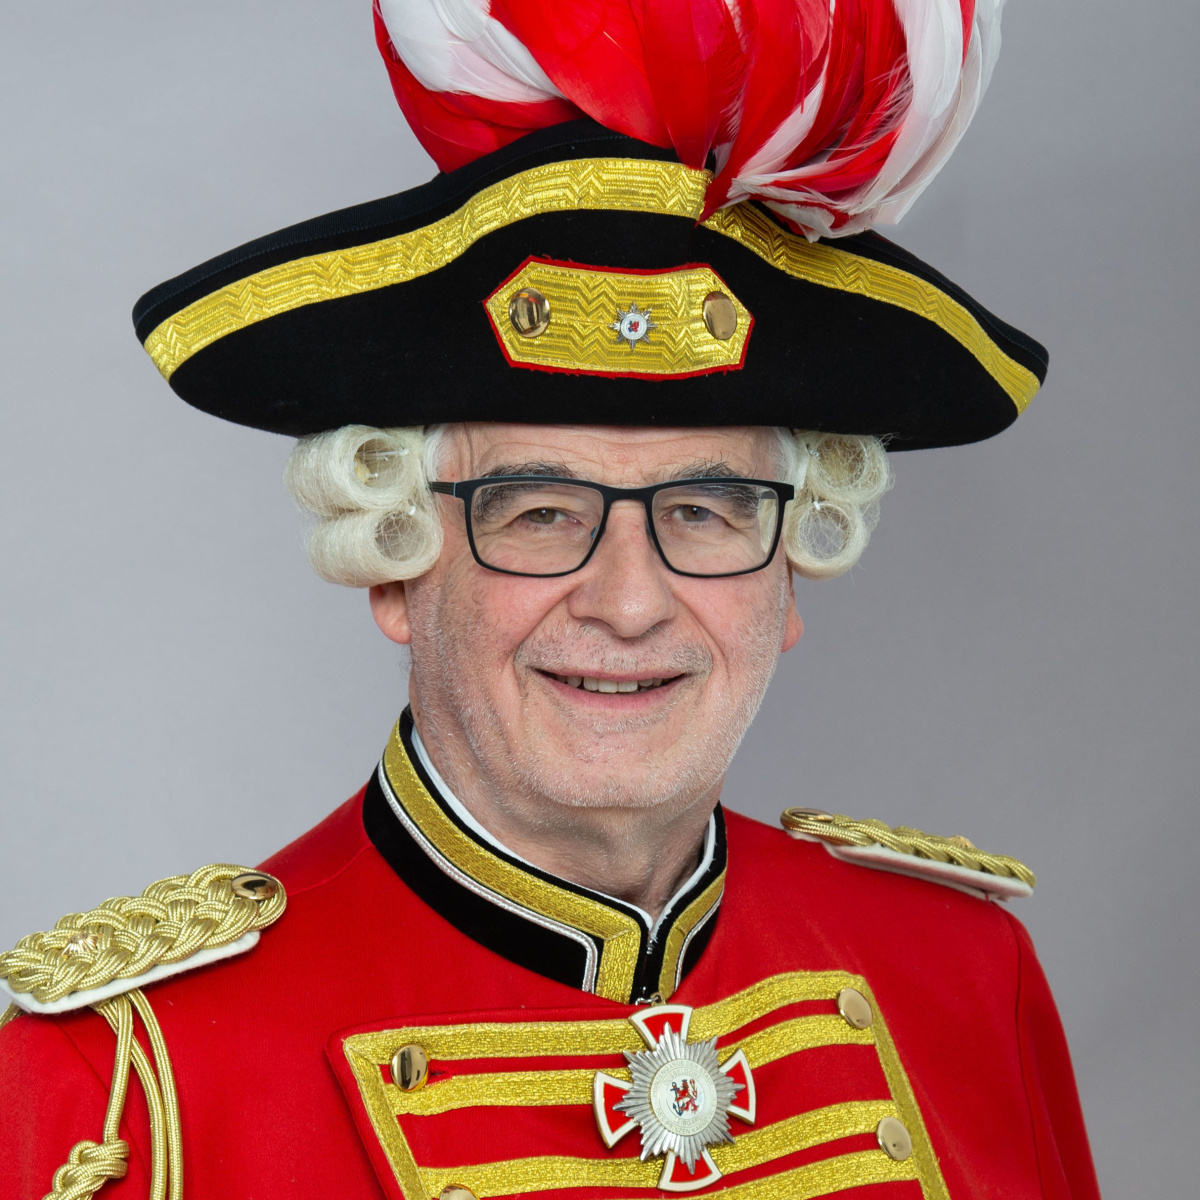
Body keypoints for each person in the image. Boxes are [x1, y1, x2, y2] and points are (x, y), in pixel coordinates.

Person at [0, 2, 1101, 1197]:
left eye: (707, 509)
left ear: (791, 573)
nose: (629, 604)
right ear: (397, 566)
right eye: (538, 513)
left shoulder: (964, 978)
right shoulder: (124, 1086)